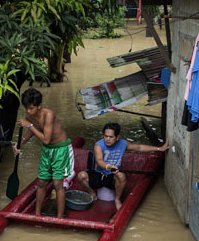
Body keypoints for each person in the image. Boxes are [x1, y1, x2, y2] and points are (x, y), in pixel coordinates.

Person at [75, 122, 168, 211]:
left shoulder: (123, 144)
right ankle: (92, 193)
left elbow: (139, 147)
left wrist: (159, 148)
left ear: (117, 137)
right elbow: (99, 161)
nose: (107, 139)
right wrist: (109, 167)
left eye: (111, 137)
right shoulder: (98, 145)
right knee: (81, 175)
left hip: (111, 176)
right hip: (98, 174)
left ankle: (117, 199)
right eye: (105, 136)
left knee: (121, 176)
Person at [13, 88, 72, 218]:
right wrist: (21, 143)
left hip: (60, 149)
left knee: (57, 184)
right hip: (47, 151)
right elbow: (33, 130)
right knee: (41, 182)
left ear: (39, 106)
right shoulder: (30, 115)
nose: (28, 111)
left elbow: (46, 139)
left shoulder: (48, 115)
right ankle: (37, 214)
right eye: (26, 108)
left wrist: (29, 125)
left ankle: (60, 217)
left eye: (31, 108)